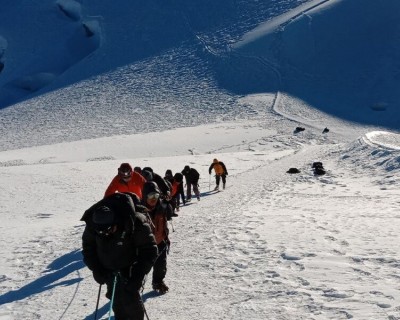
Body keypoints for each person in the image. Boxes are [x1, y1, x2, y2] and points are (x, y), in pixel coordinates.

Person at [81, 192, 158, 320]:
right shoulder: (93, 224)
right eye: (100, 232)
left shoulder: (136, 221)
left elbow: (149, 250)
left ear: (116, 221)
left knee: (131, 301)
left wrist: (137, 276)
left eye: (108, 230)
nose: (105, 234)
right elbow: (88, 248)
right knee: (116, 300)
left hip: (131, 269)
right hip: (108, 270)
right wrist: (97, 269)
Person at [141, 181, 173, 294]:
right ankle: (133, 288)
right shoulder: (139, 210)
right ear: (145, 196)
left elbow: (169, 215)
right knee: (141, 270)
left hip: (160, 241)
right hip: (144, 246)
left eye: (156, 195)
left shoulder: (162, 206)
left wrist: (167, 204)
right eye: (150, 196)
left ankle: (158, 282)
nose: (153, 198)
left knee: (161, 266)